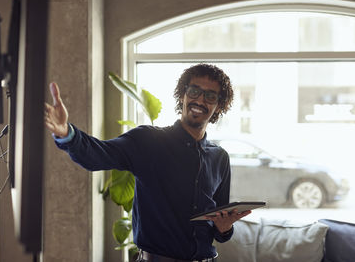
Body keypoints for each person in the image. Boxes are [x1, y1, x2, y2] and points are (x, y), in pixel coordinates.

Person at [44, 64, 251, 262]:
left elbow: (220, 226)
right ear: (183, 94)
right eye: (194, 91)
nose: (200, 100)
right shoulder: (148, 141)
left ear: (218, 105)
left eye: (210, 96)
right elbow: (97, 154)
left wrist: (225, 228)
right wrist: (66, 134)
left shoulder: (220, 158)